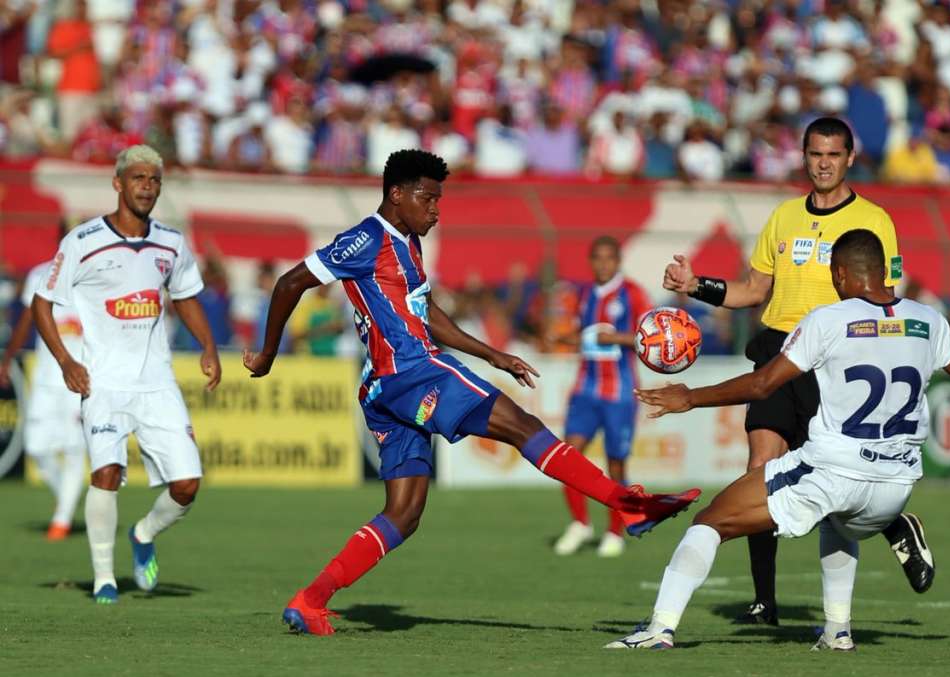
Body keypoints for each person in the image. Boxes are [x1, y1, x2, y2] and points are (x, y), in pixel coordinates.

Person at [242, 149, 699, 636]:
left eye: (439, 200)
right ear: (395, 194)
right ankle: (625, 504)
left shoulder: (409, 243)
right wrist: (269, 353)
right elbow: (292, 281)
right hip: (413, 372)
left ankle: (310, 600)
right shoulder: (367, 238)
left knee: (405, 512)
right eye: (427, 198)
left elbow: (428, 314)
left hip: (384, 388)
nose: (436, 210)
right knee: (523, 426)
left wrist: (491, 354)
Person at [608, 229, 950, 651]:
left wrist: (689, 397)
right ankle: (837, 631)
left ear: (840, 274)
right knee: (839, 522)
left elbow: (763, 384)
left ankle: (658, 629)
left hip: (834, 471)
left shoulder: (828, 319)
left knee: (709, 523)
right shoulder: (928, 320)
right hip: (894, 488)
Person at [662, 117, 929, 627]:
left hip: (835, 362)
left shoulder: (875, 219)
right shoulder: (783, 217)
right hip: (777, 354)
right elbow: (752, 291)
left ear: (850, 158)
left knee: (836, 482)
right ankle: (765, 600)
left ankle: (894, 525)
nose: (823, 163)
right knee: (759, 472)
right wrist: (695, 285)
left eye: (833, 154)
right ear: (803, 157)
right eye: (814, 154)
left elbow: (887, 297)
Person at [32, 145, 221, 604]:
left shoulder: (171, 242)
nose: (147, 187)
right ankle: (104, 580)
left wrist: (209, 346)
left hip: (157, 383)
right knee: (106, 473)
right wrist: (66, 361)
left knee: (187, 485)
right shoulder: (82, 241)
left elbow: (186, 296)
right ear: (118, 183)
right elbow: (42, 304)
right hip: (102, 382)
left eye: (154, 180)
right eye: (138, 178)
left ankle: (142, 534)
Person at [552, 236, 653, 558]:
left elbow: (652, 338)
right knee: (566, 456)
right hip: (585, 389)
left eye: (609, 258)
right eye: (597, 258)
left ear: (618, 260)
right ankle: (580, 523)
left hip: (619, 394)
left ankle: (615, 530)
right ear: (591, 260)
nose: (603, 264)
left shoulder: (632, 293)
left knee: (616, 465)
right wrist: (566, 337)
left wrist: (618, 337)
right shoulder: (582, 294)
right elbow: (586, 333)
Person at [0, 223, 86, 541]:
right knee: (37, 447)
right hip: (48, 376)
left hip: (80, 376)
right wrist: (8, 358)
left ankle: (62, 519)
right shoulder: (40, 274)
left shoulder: (97, 277)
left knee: (74, 446)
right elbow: (27, 319)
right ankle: (67, 493)